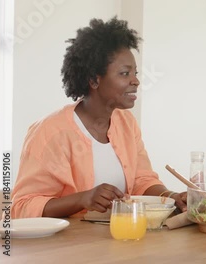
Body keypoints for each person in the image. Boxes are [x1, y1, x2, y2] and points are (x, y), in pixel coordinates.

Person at [11, 17, 187, 219]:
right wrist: (83, 199)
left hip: (118, 239)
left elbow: (142, 180)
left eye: (135, 73)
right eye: (124, 73)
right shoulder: (50, 132)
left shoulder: (126, 123)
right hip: (66, 247)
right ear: (94, 80)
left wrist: (173, 197)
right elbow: (22, 207)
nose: (136, 81)